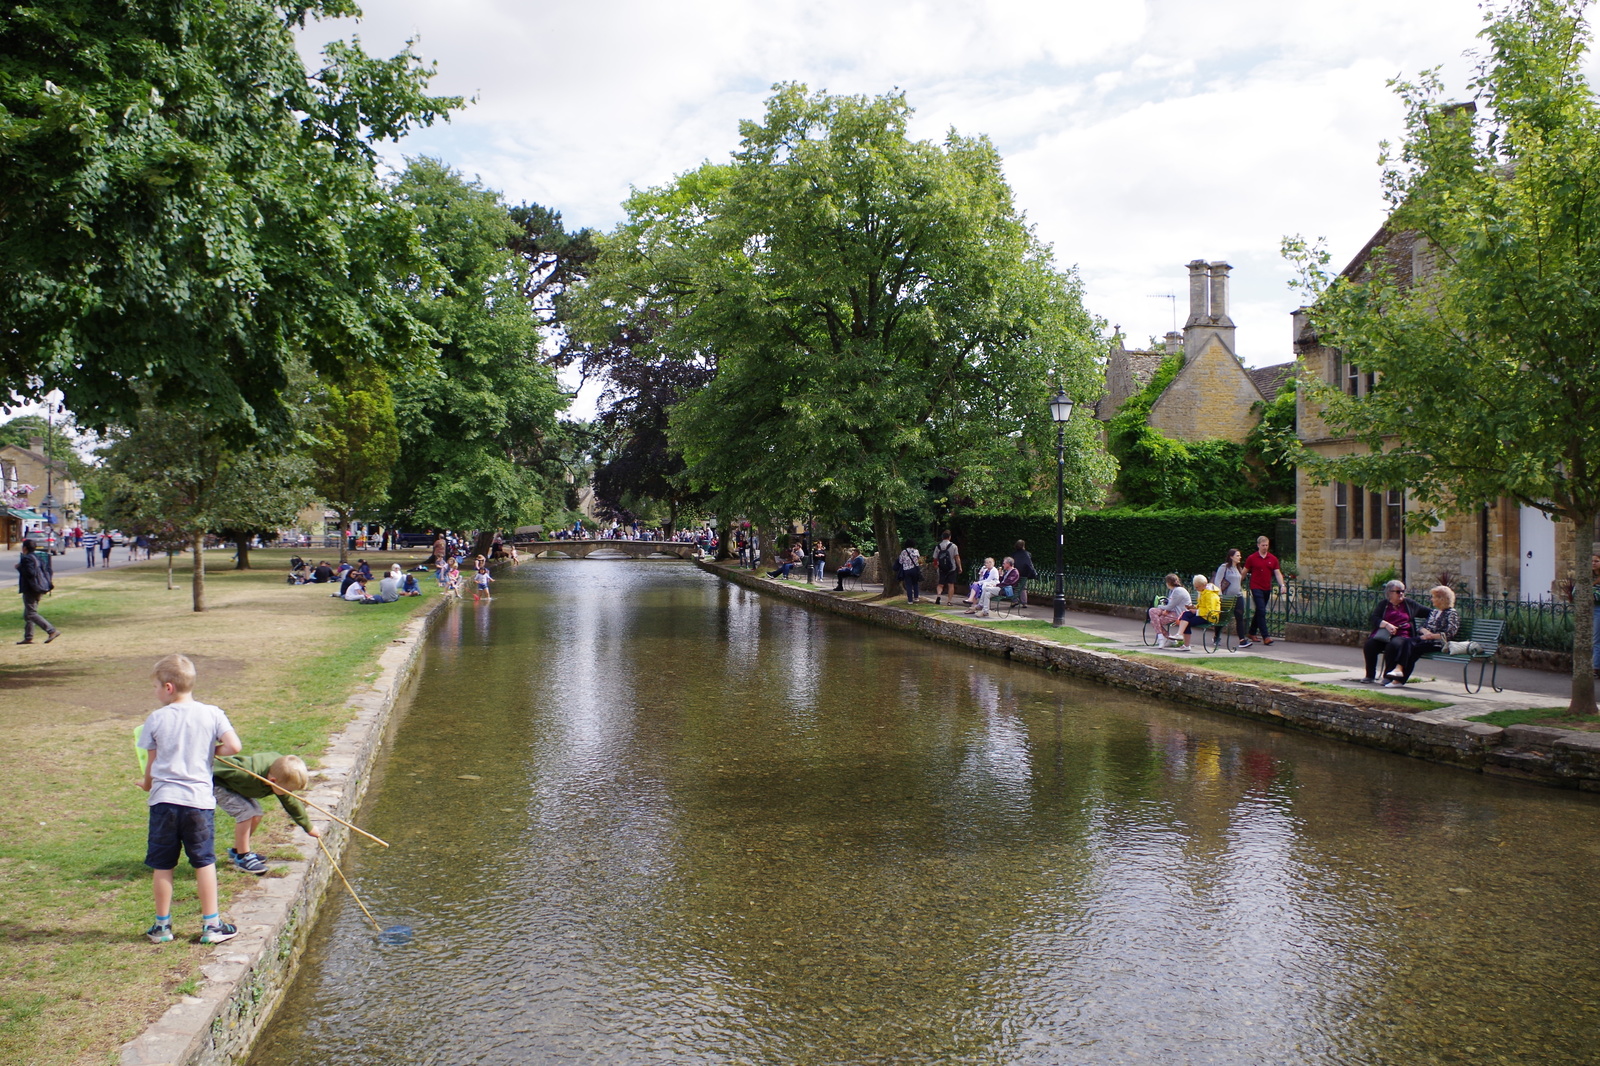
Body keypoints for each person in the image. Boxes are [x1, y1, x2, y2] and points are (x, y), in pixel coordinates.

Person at [136, 653, 243, 944]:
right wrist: (211, 752)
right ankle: (212, 926)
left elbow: (151, 764)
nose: (155, 692)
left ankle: (162, 927)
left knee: (163, 864)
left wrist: (146, 784)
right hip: (198, 803)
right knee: (204, 862)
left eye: (156, 686)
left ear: (168, 687)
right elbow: (234, 745)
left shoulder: (156, 718)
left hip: (164, 802)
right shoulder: (212, 713)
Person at [212, 752, 319, 875]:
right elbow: (216, 764)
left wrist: (308, 827)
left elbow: (291, 804)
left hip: (235, 786)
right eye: (289, 790)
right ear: (272, 781)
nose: (289, 793)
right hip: (216, 785)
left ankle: (236, 851)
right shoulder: (244, 772)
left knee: (257, 814)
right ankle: (243, 856)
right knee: (246, 813)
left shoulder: (281, 777)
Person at [1386, 585, 1461, 686]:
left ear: (1441, 599)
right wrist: (1425, 632)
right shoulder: (1434, 612)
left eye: (1434, 597)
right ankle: (1398, 678)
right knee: (1410, 647)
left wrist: (1432, 636)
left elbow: (1450, 633)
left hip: (1439, 643)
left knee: (1411, 647)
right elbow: (1421, 626)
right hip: (1425, 640)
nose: (1431, 599)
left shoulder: (1452, 614)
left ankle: (1398, 674)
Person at [1360, 580, 1428, 683]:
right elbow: (1374, 618)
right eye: (1398, 591)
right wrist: (1386, 625)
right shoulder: (1384, 604)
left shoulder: (1409, 604)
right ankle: (1370, 675)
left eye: (1403, 591)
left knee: (1392, 646)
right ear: (1389, 592)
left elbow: (1429, 613)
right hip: (1385, 634)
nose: (1401, 594)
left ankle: (1388, 677)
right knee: (1370, 645)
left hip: (1403, 635)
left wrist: (1426, 627)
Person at [1240, 536, 1288, 648]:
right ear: (1258, 545)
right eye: (1263, 545)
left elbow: (1277, 573)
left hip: (1267, 588)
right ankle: (1266, 636)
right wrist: (1238, 583)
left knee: (1259, 611)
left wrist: (1282, 585)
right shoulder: (1252, 558)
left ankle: (1251, 632)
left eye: (1266, 545)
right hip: (1256, 587)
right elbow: (1244, 572)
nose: (1265, 547)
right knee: (1262, 610)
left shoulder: (1273, 558)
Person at [15, 538, 59, 645]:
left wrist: (20, 567)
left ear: (24, 548)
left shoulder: (26, 559)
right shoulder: (38, 558)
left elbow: (30, 573)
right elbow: (48, 570)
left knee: (31, 613)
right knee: (28, 614)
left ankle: (51, 630)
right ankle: (28, 637)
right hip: (40, 587)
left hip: (31, 588)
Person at [1172, 574, 1220, 650]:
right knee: (1185, 614)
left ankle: (1185, 643)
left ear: (1203, 585)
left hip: (1209, 617)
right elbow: (1202, 605)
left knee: (1187, 622)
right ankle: (1180, 635)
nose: (1196, 589)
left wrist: (1196, 611)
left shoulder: (1210, 595)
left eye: (1197, 587)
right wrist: (1193, 607)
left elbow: (1210, 611)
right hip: (1202, 614)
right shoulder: (1204, 592)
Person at [1213, 548, 1248, 645]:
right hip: (1227, 597)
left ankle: (1242, 639)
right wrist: (1220, 595)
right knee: (1223, 617)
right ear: (1231, 557)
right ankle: (1216, 636)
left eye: (1240, 555)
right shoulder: (1224, 567)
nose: (1239, 557)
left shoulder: (1238, 568)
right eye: (1237, 555)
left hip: (1238, 596)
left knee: (1239, 617)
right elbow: (1218, 581)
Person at [1149, 573, 1191, 648]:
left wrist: (1159, 606)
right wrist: (1166, 610)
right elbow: (1170, 604)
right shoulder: (1173, 590)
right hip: (1172, 611)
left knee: (1154, 621)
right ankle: (1162, 637)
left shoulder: (1178, 591)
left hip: (1180, 614)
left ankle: (1166, 639)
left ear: (1168, 583)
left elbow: (1170, 606)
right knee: (1152, 611)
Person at [932, 531, 962, 606]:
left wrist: (936, 566)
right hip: (951, 568)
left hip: (941, 568)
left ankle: (939, 595)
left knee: (940, 584)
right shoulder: (954, 546)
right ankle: (949, 601)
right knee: (951, 584)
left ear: (942, 537)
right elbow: (957, 557)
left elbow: (935, 558)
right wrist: (960, 567)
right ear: (950, 537)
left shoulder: (938, 546)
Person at [1012, 539, 1036, 609]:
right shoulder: (1027, 554)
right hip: (1024, 573)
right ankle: (1024, 602)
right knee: (1023, 588)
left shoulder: (1014, 554)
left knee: (1014, 587)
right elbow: (1029, 564)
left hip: (1016, 573)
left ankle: (1015, 600)